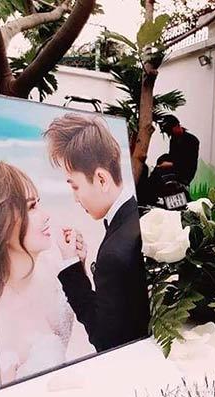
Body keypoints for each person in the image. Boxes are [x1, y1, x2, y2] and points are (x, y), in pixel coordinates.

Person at [0, 158, 93, 385]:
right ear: (1, 223)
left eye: (38, 203)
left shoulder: (49, 268)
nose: (46, 215)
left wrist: (76, 268)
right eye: (32, 207)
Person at [44, 113, 150, 352]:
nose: (75, 198)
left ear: (101, 179)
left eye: (75, 186)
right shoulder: (136, 215)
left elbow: (105, 339)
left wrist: (70, 266)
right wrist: (81, 267)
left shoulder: (114, 253)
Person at [160, 116, 200, 187]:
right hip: (174, 169)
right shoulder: (173, 139)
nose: (170, 134)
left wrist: (171, 164)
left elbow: (189, 162)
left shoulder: (192, 140)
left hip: (185, 173)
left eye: (170, 130)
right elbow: (172, 156)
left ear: (177, 126)